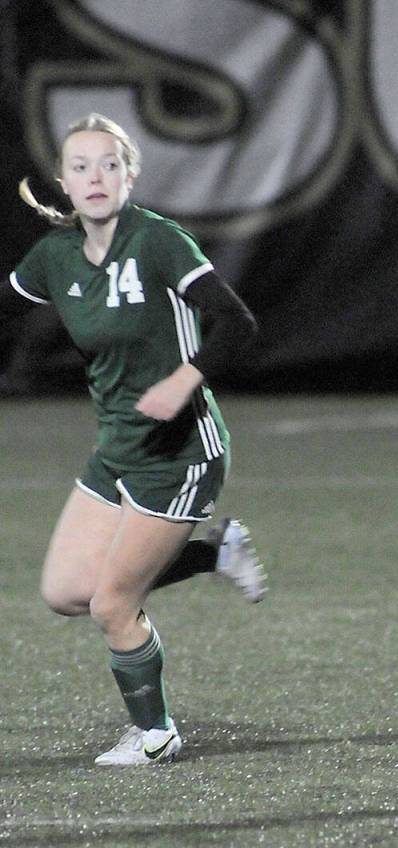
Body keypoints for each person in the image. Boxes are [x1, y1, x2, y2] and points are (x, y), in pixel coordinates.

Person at [0, 113, 268, 765]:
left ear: (129, 175)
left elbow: (236, 323)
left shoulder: (158, 242)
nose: (95, 177)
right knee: (66, 592)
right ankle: (213, 554)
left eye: (109, 164)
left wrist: (185, 380)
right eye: (81, 166)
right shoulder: (55, 256)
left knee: (112, 603)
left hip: (180, 455)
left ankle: (157, 733)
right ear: (62, 181)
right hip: (117, 447)